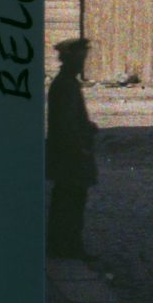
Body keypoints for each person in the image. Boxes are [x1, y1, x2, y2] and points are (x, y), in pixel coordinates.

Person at [47, 37, 98, 260]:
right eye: (79, 59)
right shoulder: (66, 85)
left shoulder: (65, 83)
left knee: (66, 199)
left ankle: (61, 245)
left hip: (66, 152)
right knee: (71, 202)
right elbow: (66, 123)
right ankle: (68, 247)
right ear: (70, 60)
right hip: (70, 154)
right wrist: (81, 147)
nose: (82, 63)